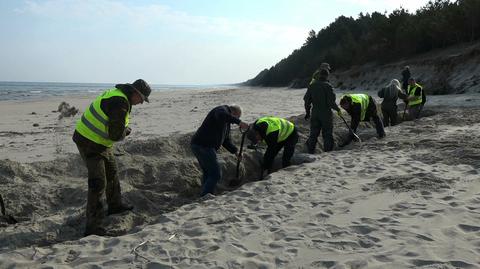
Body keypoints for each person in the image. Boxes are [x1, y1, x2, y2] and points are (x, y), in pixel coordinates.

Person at [73, 79, 151, 236]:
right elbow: (115, 134)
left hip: (101, 143)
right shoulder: (119, 102)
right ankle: (93, 227)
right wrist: (126, 131)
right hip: (89, 142)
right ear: (135, 93)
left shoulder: (120, 96)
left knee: (112, 172)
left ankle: (115, 205)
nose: (141, 103)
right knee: (98, 183)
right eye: (141, 99)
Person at [191, 105, 249, 196]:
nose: (233, 122)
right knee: (216, 174)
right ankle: (205, 195)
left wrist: (235, 152)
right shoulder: (221, 110)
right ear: (233, 113)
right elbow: (222, 115)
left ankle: (205, 193)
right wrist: (239, 122)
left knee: (208, 172)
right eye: (237, 117)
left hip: (200, 145)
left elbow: (225, 141)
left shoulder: (226, 123)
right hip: (203, 145)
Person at [304, 68, 341, 153]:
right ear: (327, 76)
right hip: (326, 114)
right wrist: (338, 109)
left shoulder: (312, 85)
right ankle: (328, 152)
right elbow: (331, 102)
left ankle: (310, 151)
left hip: (315, 113)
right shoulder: (328, 86)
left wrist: (307, 112)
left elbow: (307, 101)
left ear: (319, 75)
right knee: (327, 134)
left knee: (313, 134)